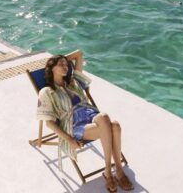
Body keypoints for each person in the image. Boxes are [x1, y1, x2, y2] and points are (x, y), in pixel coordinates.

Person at [36, 51, 133, 192]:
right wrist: (69, 139)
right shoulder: (46, 92)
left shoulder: (74, 83)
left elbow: (79, 54)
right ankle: (115, 171)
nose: (65, 67)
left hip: (90, 115)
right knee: (113, 126)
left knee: (112, 123)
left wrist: (61, 61)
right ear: (51, 69)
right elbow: (49, 122)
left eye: (66, 64)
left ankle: (112, 171)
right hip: (74, 125)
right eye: (60, 65)